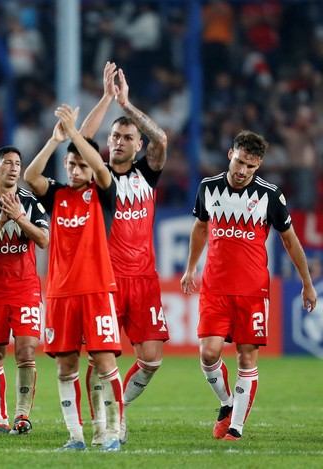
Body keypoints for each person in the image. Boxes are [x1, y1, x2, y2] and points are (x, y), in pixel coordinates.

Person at [180, 130, 317, 441]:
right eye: (240, 162)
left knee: (246, 357)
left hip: (253, 291)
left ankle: (235, 429)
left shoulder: (270, 195)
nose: (242, 171)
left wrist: (307, 283)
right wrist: (190, 268)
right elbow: (200, 228)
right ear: (231, 154)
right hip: (215, 287)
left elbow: (290, 240)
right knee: (208, 354)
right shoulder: (209, 188)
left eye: (251, 167)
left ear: (260, 165)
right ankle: (228, 403)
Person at [77, 62, 169, 445]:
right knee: (101, 357)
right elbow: (79, 141)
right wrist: (105, 99)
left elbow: (162, 139)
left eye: (126, 136)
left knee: (151, 359)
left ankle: (120, 408)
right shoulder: (101, 178)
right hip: (106, 280)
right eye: (114, 135)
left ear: (137, 144)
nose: (117, 141)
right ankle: (103, 422)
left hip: (144, 280)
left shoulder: (146, 174)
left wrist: (127, 106)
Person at [24, 104, 122, 452]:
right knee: (66, 365)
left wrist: (76, 134)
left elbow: (98, 164)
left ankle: (112, 432)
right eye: (71, 164)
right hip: (61, 293)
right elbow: (31, 178)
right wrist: (54, 140)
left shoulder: (103, 192)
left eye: (80, 164)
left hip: (96, 290)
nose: (76, 169)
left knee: (105, 361)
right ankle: (76, 436)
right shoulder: (58, 195)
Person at [0, 146, 49, 435]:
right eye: (8, 163)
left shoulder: (31, 202)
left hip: (25, 286)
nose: (14, 168)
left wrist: (18, 217)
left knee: (26, 351)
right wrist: (1, 220)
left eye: (18, 163)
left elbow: (43, 239)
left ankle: (22, 416)